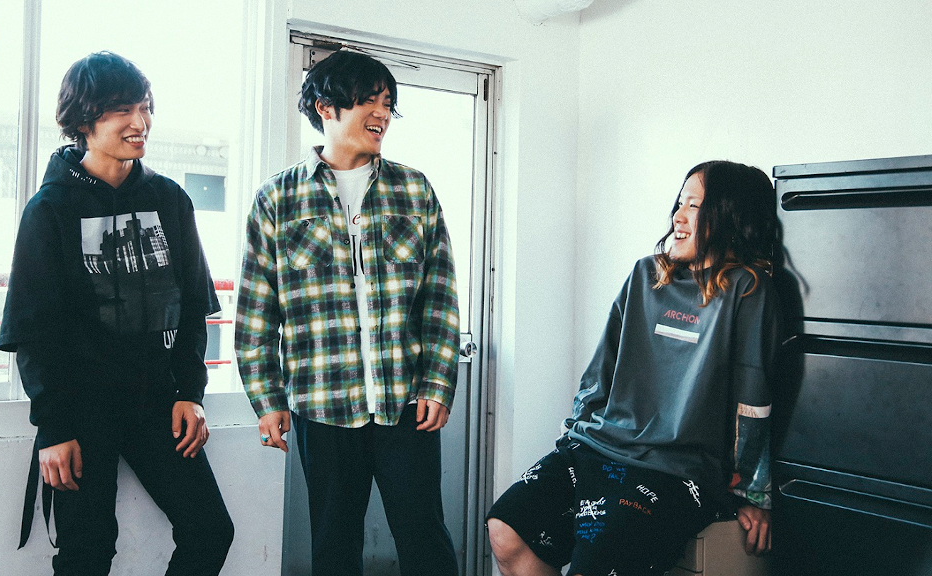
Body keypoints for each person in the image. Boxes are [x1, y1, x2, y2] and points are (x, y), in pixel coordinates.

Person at [0, 51, 234, 575]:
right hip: (81, 409)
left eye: (144, 107)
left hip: (158, 401)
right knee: (86, 552)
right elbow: (34, 330)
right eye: (122, 110)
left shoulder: (169, 199)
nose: (139, 122)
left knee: (210, 530)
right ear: (84, 120)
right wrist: (53, 428)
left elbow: (194, 306)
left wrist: (191, 393)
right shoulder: (50, 209)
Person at [487, 161, 781, 576]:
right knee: (506, 528)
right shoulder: (646, 274)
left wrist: (754, 494)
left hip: (675, 469)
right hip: (600, 444)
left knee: (595, 563)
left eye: (694, 206)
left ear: (730, 216)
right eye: (680, 204)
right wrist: (575, 431)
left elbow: (752, 405)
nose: (677, 217)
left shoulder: (748, 291)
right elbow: (600, 372)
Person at [235, 50, 461, 576]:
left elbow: (441, 296)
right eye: (369, 101)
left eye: (388, 103)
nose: (382, 113)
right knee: (334, 545)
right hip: (322, 402)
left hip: (406, 401)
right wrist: (267, 400)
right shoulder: (277, 198)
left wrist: (438, 383)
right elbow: (256, 312)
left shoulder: (414, 189)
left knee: (425, 538)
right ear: (326, 107)